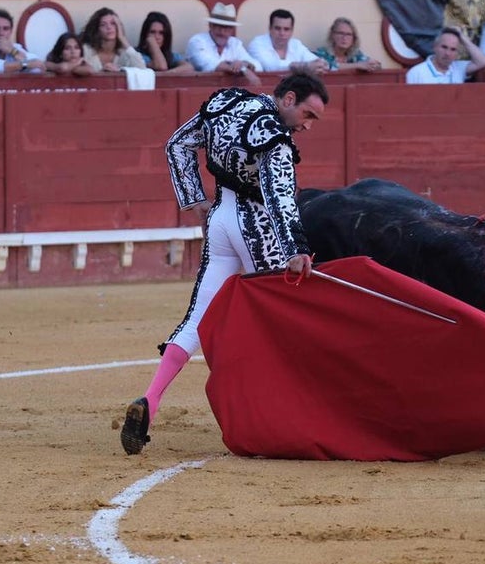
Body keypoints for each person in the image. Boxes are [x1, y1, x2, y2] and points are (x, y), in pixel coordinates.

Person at [119, 71, 329, 455]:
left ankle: (151, 399)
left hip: (220, 222)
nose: (308, 126)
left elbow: (177, 144)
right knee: (278, 322)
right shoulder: (275, 137)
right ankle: (275, 419)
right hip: (258, 230)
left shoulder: (228, 103)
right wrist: (296, 249)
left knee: (196, 321)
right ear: (288, 98)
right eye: (308, 114)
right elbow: (281, 198)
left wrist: (195, 199)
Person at [186, 2, 262, 85]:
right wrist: (242, 69)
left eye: (227, 27)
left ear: (232, 29)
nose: (222, 32)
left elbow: (258, 66)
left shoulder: (235, 43)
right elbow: (207, 64)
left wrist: (244, 64)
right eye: (218, 26)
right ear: (210, 26)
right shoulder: (197, 41)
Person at [247, 8, 330, 73]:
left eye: (286, 29)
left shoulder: (296, 44)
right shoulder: (257, 44)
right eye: (277, 28)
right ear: (270, 28)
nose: (282, 33)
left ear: (292, 31)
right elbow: (270, 67)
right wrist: (303, 66)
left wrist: (321, 64)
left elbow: (314, 61)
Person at [405, 26, 485, 84]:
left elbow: (484, 61)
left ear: (457, 53)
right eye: (444, 47)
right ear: (435, 47)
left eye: (453, 49)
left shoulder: (459, 68)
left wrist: (462, 37)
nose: (447, 53)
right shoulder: (416, 73)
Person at [79, 8, 146, 73]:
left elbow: (142, 69)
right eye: (103, 24)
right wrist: (100, 73)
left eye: (113, 23)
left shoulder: (124, 52)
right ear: (97, 30)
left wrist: (122, 38)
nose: (109, 27)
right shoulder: (87, 50)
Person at [314, 16, 380, 72]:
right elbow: (327, 66)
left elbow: (377, 66)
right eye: (341, 33)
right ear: (332, 35)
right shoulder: (321, 53)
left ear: (353, 39)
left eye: (348, 34)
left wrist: (373, 65)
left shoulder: (356, 55)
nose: (344, 38)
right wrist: (358, 65)